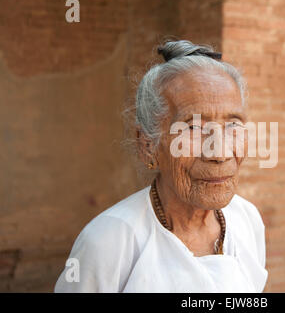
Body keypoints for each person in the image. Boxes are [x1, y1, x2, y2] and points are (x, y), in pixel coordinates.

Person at [54, 40, 268, 292]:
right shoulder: (108, 241)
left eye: (233, 125)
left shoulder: (247, 220)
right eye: (193, 128)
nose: (219, 153)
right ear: (148, 146)